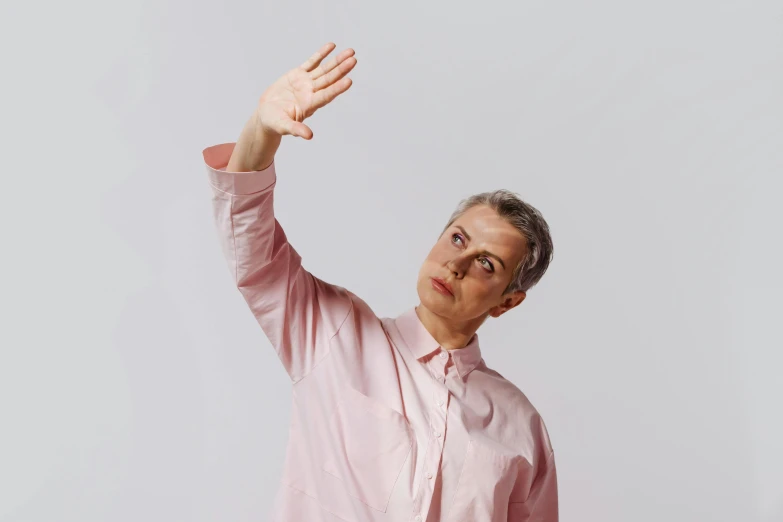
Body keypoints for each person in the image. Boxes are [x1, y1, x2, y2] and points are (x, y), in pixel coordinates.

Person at [202, 42, 558, 522]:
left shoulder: (521, 428)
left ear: (507, 302)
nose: (457, 265)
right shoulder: (336, 335)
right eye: (456, 239)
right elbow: (255, 257)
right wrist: (260, 132)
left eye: (486, 264)